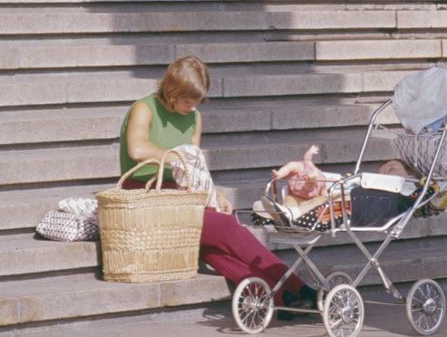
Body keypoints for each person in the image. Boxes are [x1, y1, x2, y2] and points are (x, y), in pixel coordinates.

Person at [118, 56, 319, 310]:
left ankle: (280, 298)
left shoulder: (194, 117)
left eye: (197, 101)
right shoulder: (144, 108)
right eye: (187, 100)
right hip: (145, 195)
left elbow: (196, 167)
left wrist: (214, 194)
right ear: (171, 91)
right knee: (228, 228)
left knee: (210, 249)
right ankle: (298, 287)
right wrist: (178, 158)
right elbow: (137, 148)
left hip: (180, 195)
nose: (192, 107)